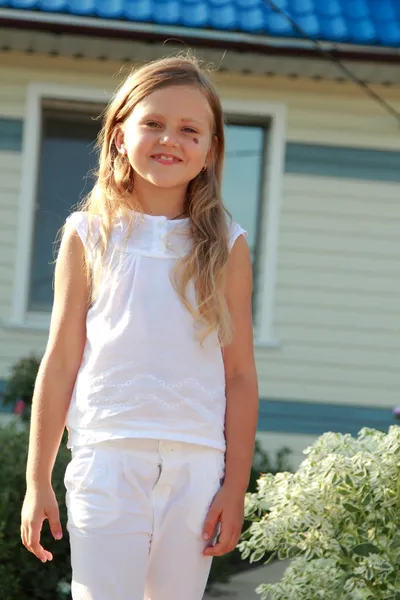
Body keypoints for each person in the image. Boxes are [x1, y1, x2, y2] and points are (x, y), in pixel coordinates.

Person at [20, 54, 259, 600]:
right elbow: (60, 363)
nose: (168, 138)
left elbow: (241, 374)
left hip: (198, 471)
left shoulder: (228, 244)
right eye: (152, 122)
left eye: (189, 129)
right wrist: (38, 481)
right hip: (107, 460)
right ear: (119, 134)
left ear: (211, 150)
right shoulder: (89, 234)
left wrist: (235, 487)